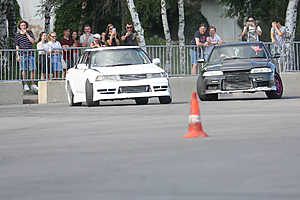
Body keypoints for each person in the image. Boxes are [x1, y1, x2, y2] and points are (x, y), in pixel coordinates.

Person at [15, 20, 38, 92]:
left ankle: (33, 84)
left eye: (24, 25)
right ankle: (25, 84)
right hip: (22, 54)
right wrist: (17, 55)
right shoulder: (17, 35)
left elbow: (33, 41)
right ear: (20, 27)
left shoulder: (30, 32)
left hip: (30, 53)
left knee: (32, 69)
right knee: (23, 69)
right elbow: (17, 46)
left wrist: (27, 34)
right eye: (22, 25)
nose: (23, 26)